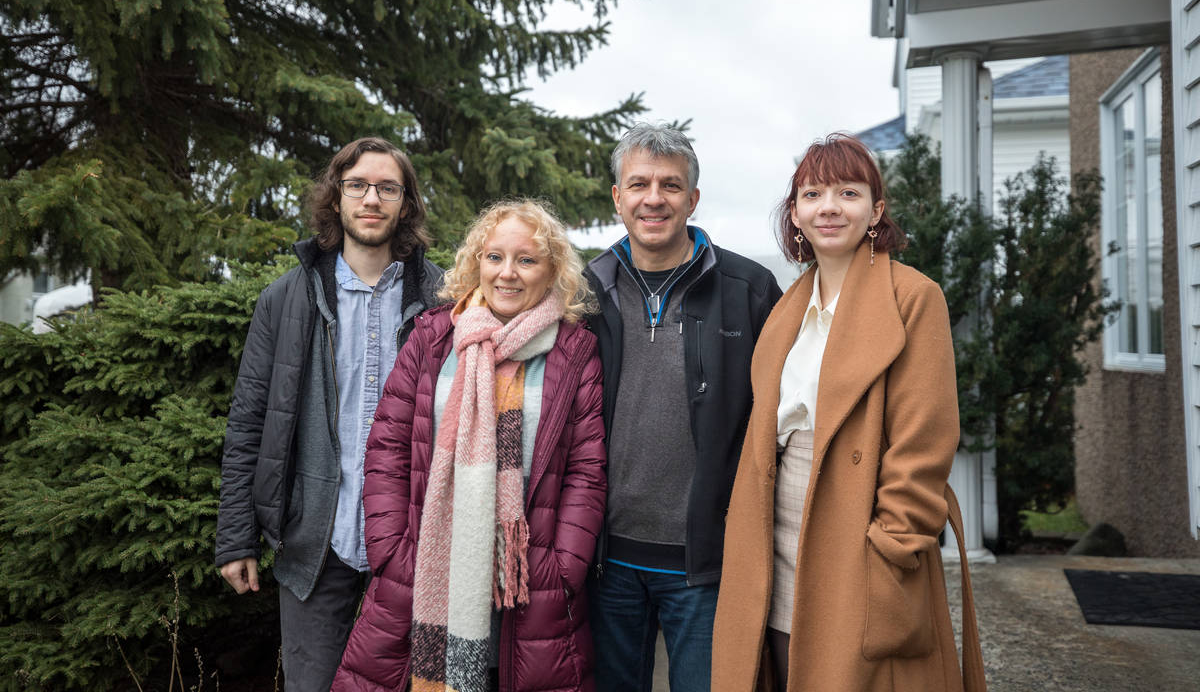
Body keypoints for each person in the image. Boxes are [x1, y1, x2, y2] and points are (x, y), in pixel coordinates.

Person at [710, 134, 986, 691]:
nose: (829, 207)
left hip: (860, 524)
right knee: (785, 663)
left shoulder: (913, 296)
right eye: (812, 194)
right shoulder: (789, 305)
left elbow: (924, 442)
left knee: (855, 672)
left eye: (848, 192)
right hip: (778, 518)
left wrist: (894, 544)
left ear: (876, 210)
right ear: (795, 214)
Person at [333, 199, 607, 692]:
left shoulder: (574, 351)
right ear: (475, 262)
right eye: (494, 256)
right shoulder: (435, 338)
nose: (507, 273)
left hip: (529, 580)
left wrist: (562, 565)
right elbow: (388, 449)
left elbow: (587, 470)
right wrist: (392, 548)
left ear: (553, 271)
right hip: (425, 567)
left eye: (527, 259)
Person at [215, 137, 444, 692]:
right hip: (316, 544)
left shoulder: (445, 297)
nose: (372, 199)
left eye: (388, 188)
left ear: (406, 203)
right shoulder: (285, 299)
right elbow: (248, 422)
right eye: (358, 185)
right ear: (336, 197)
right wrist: (237, 538)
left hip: (418, 546)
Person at [584, 123, 782, 692]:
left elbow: (774, 419)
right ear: (617, 197)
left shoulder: (748, 287)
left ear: (693, 200)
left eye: (670, 186)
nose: (654, 198)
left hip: (706, 562)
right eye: (638, 184)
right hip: (606, 562)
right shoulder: (584, 291)